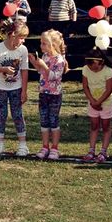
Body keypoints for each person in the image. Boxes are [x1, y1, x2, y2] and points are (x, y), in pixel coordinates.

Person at [0, 21, 29, 156]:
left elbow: (24, 70)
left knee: (17, 115)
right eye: (21, 37)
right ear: (12, 35)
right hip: (0, 88)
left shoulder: (23, 50)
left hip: (16, 88)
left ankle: (23, 145)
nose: (23, 41)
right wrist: (3, 69)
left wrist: (24, 90)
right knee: (1, 115)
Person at [28, 29, 67, 160]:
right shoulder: (44, 57)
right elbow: (41, 71)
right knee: (44, 120)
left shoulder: (59, 60)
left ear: (53, 45)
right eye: (41, 43)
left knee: (53, 120)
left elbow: (54, 77)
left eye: (44, 43)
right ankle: (45, 147)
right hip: (43, 93)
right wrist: (34, 62)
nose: (41, 46)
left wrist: (44, 66)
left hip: (54, 94)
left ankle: (55, 148)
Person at [80, 48, 112, 163]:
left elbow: (109, 89)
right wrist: (92, 101)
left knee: (106, 126)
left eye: (94, 66)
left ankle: (103, 151)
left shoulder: (108, 71)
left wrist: (99, 102)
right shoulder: (86, 69)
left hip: (106, 103)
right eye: (90, 66)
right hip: (92, 102)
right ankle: (91, 150)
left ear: (101, 62)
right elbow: (85, 86)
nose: (92, 68)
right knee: (94, 125)